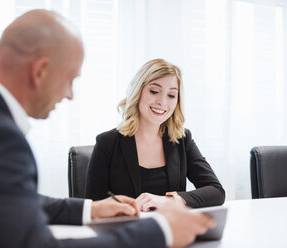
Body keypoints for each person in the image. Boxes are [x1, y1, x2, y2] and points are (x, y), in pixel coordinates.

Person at [0, 10, 215, 248]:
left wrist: (91, 210)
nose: (70, 94)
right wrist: (159, 232)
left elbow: (18, 201)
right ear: (40, 71)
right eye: (69, 78)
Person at [85, 58, 225, 211]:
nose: (163, 102)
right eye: (154, 91)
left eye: (171, 95)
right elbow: (93, 208)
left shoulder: (182, 140)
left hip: (171, 231)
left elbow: (216, 191)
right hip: (125, 231)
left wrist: (171, 200)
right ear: (138, 92)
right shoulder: (107, 142)